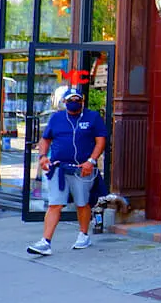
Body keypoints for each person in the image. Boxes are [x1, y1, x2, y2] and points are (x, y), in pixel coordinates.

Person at [27, 87, 109, 256]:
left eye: (77, 99)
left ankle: (83, 234)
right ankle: (46, 242)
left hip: (82, 169)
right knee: (55, 204)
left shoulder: (92, 117)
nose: (74, 103)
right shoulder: (56, 118)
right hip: (59, 168)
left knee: (82, 202)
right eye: (70, 100)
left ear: (82, 100)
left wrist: (91, 161)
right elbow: (45, 139)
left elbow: (100, 141)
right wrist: (42, 156)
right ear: (64, 102)